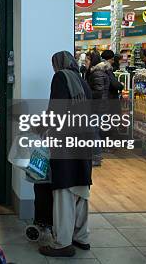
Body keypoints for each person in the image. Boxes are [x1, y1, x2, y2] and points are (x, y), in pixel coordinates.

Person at [38, 51, 93, 258]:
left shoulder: (61, 77)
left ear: (58, 64)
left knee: (63, 191)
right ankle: (82, 236)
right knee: (80, 188)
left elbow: (56, 111)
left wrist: (40, 127)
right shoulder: (81, 80)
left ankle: (62, 243)